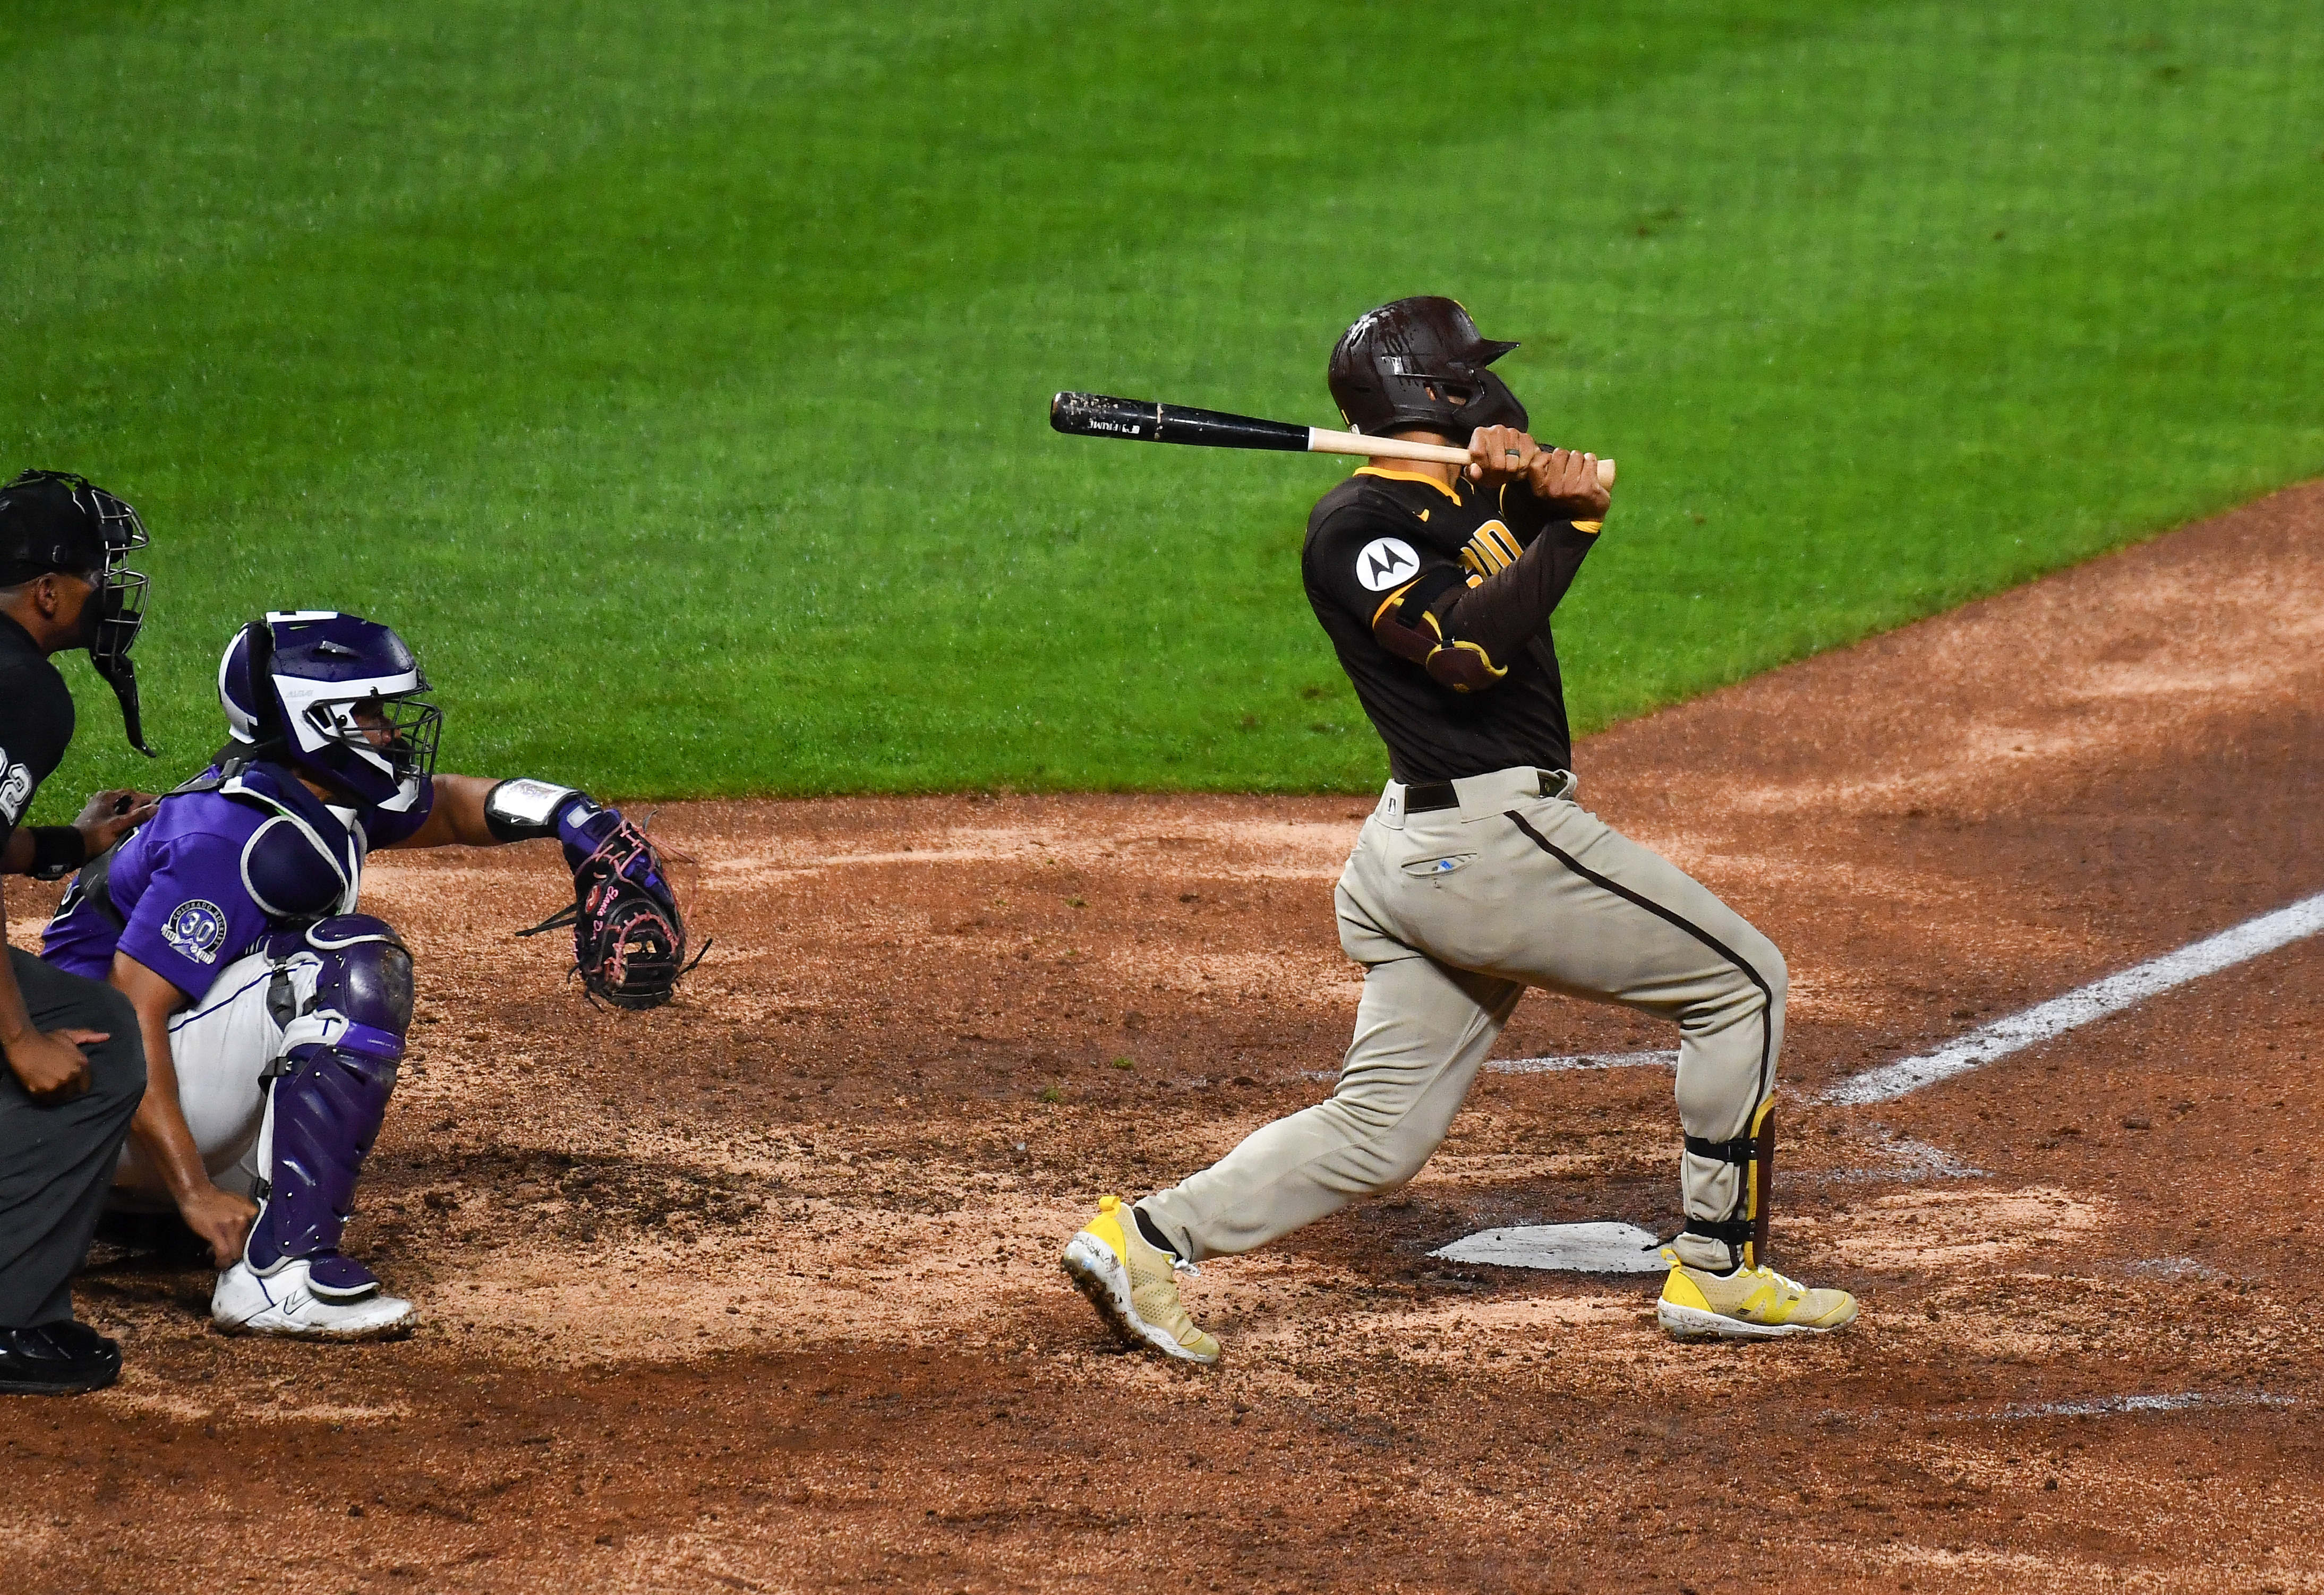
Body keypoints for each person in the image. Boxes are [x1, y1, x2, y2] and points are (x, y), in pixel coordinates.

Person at [1062, 297, 1857, 1361]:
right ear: (1433, 391)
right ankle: (1719, 1270)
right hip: (1484, 843)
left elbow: (1496, 575)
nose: (1489, 386)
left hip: (1429, 854)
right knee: (1741, 982)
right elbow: (1464, 651)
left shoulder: (1446, 505)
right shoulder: (1355, 527)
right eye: (1467, 374)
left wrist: (1521, 499)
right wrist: (1570, 527)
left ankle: (1141, 1237)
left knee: (1378, 1133)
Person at [42, 609, 694, 1340]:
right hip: (89, 1106)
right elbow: (131, 1013)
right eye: (369, 710)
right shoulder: (236, 839)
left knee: (299, 971)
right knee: (348, 966)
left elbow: (442, 807)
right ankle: (276, 1277)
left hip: (104, 1115)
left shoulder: (302, 796)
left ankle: (146, 1213)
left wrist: (573, 817)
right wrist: (194, 1192)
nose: (389, 728)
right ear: (309, 719)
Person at [0, 469, 158, 1395]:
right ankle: (15, 1321)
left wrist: (70, 844)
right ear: (50, 593)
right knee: (99, 1038)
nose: (111, 594)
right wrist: (21, 1038)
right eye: (100, 576)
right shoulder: (23, 690)